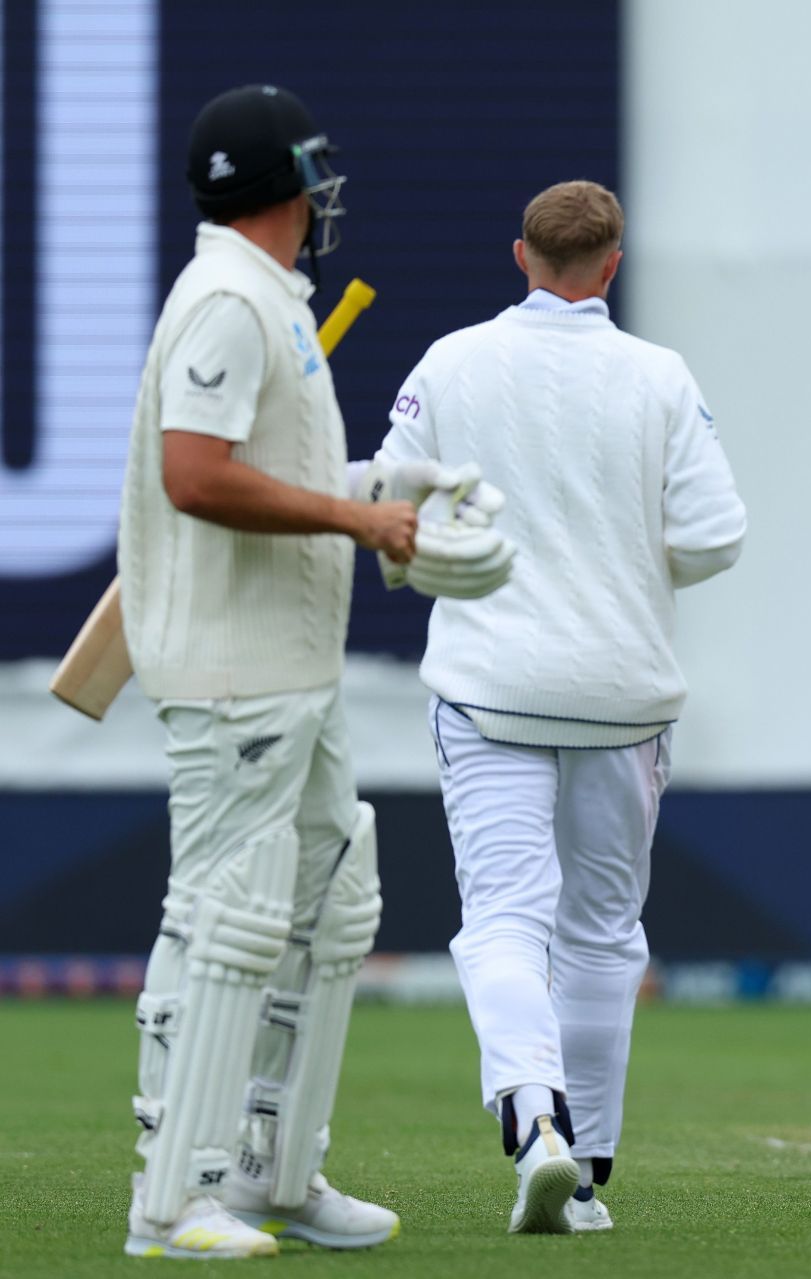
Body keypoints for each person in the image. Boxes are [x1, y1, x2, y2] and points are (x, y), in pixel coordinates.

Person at [378, 179, 747, 1234]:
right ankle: (581, 1172)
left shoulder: (452, 362)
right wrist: (632, 565)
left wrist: (447, 562)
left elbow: (391, 503)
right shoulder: (658, 376)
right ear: (613, 264)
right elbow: (718, 533)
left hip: (492, 686)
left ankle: (531, 1111)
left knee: (503, 915)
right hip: (620, 693)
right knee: (601, 932)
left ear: (522, 258)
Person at [119, 83, 433, 1259]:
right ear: (283, 189)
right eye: (311, 180)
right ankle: (171, 1201)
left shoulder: (268, 300)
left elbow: (267, 468)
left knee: (331, 909)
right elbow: (194, 476)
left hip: (294, 668)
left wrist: (376, 493)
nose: (320, 201)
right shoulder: (226, 304)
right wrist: (354, 525)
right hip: (234, 672)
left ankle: (275, 1173)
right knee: (230, 919)